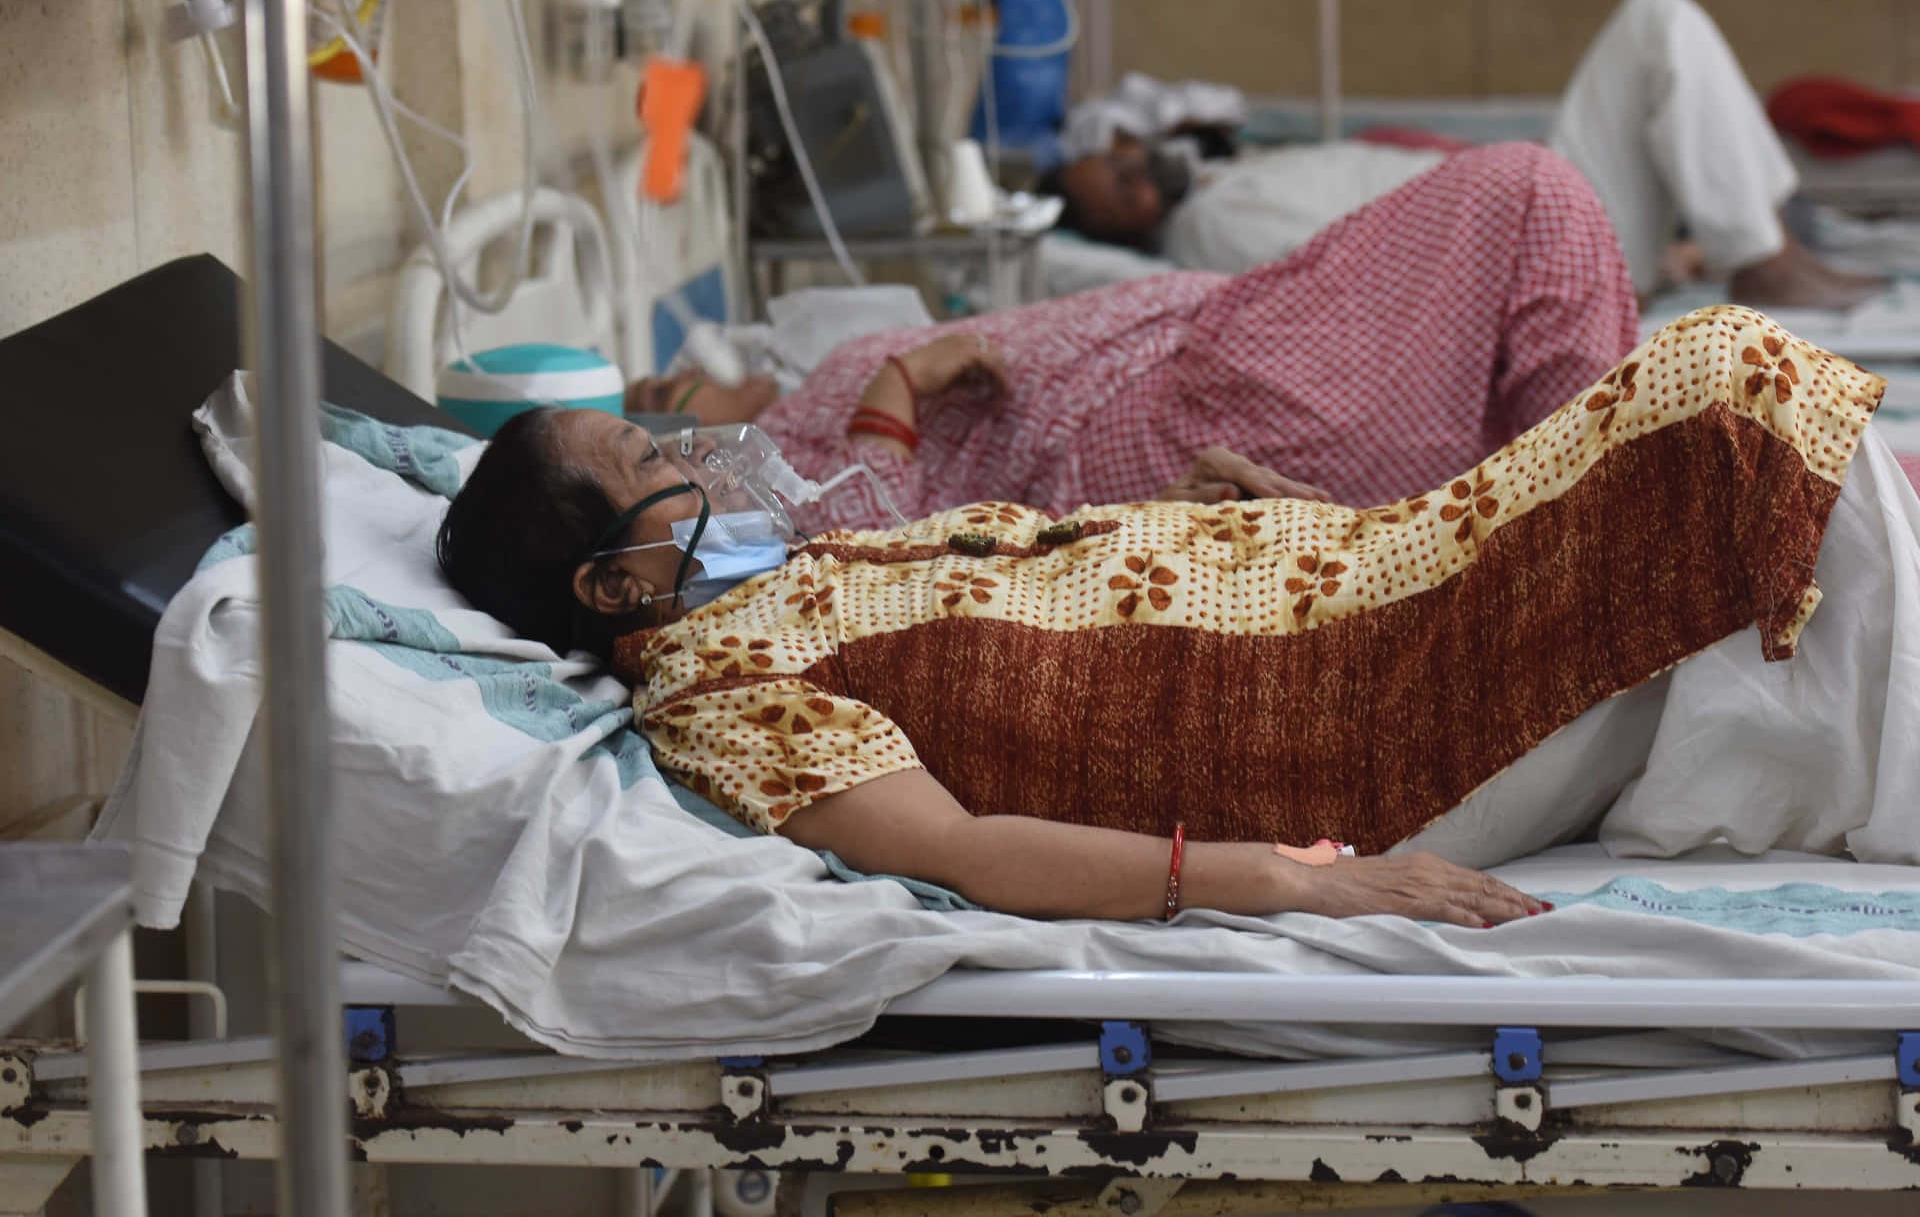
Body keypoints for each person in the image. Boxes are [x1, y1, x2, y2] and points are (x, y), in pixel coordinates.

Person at [439, 303, 1910, 927]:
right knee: (1725, 403)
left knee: (1728, 409)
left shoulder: (784, 581)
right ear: (609, 587)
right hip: (1331, 714)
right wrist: (1288, 882)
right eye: (649, 466)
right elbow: (951, 849)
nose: (688, 462)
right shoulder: (719, 690)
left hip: (1350, 584)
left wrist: (1269, 518)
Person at [631, 143, 1642, 530]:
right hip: (1179, 416)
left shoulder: (806, 362)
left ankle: (1592, 517)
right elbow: (862, 545)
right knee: (1525, 191)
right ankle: (1597, 531)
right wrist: (901, 378)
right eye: (665, 399)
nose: (676, 378)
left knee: (1526, 272)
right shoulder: (780, 457)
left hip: (1212, 346)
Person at [1050, 0, 1880, 311]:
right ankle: (1757, 250)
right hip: (1533, 249)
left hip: (1538, 206)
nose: (1137, 171)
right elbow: (1365, 276)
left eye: (1123, 158)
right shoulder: (1210, 231)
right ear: (1136, 231)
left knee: (1657, 29)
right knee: (1653, 23)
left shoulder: (1226, 175)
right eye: (1122, 191)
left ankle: (1761, 238)